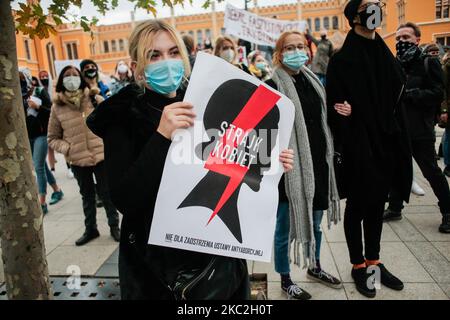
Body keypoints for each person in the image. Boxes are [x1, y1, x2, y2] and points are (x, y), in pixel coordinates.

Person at [86, 19, 294, 300]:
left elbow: (234, 168)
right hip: (158, 271)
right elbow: (125, 199)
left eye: (173, 52)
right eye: (154, 55)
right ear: (136, 67)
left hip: (219, 257)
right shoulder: (122, 118)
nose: (167, 62)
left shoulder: (201, 100)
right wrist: (161, 136)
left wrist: (271, 163)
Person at [326, 0, 412, 298]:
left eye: (378, 4)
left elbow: (396, 99)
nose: (375, 9)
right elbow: (333, 108)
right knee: (359, 207)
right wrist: (343, 114)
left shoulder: (385, 54)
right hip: (358, 146)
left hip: (386, 144)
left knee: (377, 206)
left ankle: (374, 261)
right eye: (368, 6)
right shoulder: (341, 60)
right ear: (355, 17)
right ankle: (357, 264)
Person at [265, 31, 342, 300]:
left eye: (301, 46)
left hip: (318, 163)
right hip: (289, 169)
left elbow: (318, 117)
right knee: (284, 227)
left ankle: (314, 266)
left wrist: (340, 111)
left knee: (317, 223)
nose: (297, 51)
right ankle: (286, 279)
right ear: (279, 53)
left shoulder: (313, 80)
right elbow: (263, 129)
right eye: (290, 47)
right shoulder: (271, 85)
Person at [383, 22, 450, 234]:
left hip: (420, 128)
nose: (401, 42)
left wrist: (412, 96)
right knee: (395, 169)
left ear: (417, 40)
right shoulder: (395, 63)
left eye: (406, 38)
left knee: (431, 172)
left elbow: (438, 92)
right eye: (398, 38)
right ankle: (395, 208)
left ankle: (448, 212)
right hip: (398, 128)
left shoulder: (428, 62)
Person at [47, 65, 121, 246]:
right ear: (61, 81)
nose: (71, 78)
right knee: (87, 196)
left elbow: (112, 122)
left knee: (107, 194)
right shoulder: (57, 107)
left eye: (74, 75)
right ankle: (91, 229)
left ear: (81, 78)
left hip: (100, 156)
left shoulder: (94, 98)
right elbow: (52, 137)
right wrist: (68, 148)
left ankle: (114, 227)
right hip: (78, 160)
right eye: (67, 76)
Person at [19, 67, 64, 215]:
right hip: (27, 136)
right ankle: (57, 190)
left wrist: (37, 107)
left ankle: (42, 202)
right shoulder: (18, 96)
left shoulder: (39, 91)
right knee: (42, 166)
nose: (19, 81)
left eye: (21, 78)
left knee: (38, 167)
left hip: (42, 134)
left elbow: (51, 111)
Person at [442, 51, 450, 177]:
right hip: (449, 106)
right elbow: (443, 89)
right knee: (449, 135)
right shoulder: (446, 68)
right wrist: (444, 110)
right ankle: (448, 165)